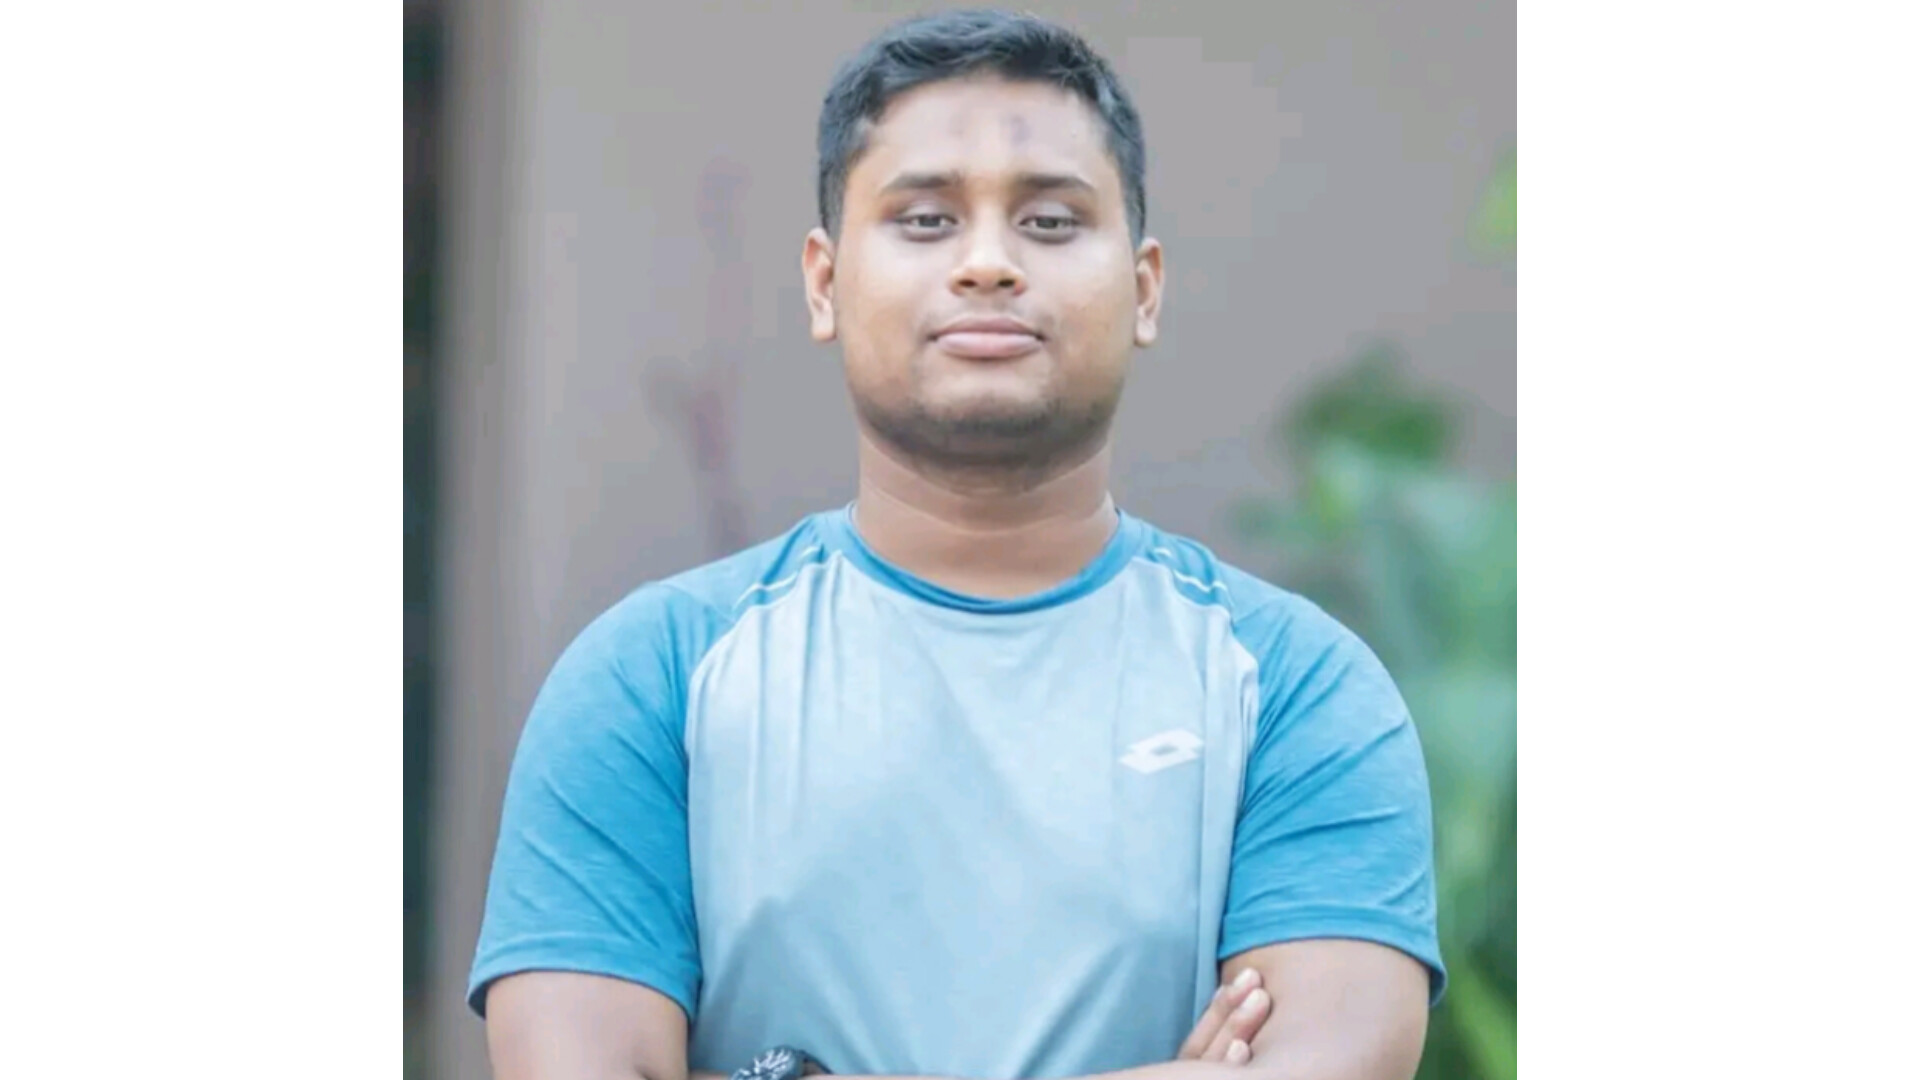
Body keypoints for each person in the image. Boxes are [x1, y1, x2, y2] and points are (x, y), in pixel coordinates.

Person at [470, 10, 1443, 1080]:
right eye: (926, 220)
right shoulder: (649, 678)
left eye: (1052, 222)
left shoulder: (1297, 691)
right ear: (824, 282)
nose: (987, 264)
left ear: (1145, 288)